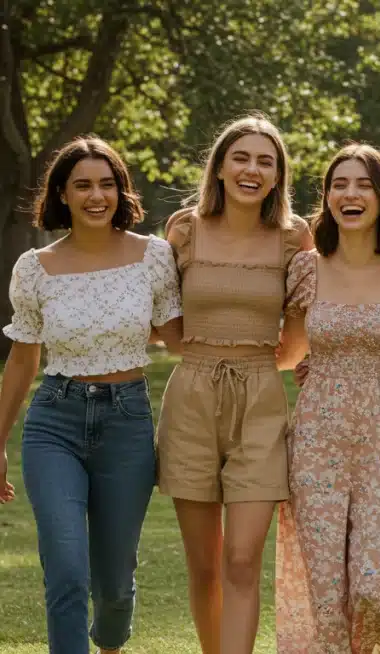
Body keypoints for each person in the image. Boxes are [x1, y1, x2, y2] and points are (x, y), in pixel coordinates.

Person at [0, 136, 183, 653]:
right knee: (65, 570)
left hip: (126, 423)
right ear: (62, 193)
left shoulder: (154, 256)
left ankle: (109, 644)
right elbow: (22, 359)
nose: (96, 195)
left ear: (121, 190)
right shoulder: (34, 267)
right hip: (53, 422)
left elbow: (180, 340)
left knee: (113, 584)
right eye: (82, 185)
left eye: (107, 183)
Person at [156, 115, 312, 654]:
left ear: (277, 177)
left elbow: (297, 338)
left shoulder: (294, 236)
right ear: (220, 167)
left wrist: (251, 359)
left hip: (261, 400)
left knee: (242, 560)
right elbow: (165, 323)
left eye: (265, 161)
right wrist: (204, 354)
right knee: (205, 566)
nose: (252, 169)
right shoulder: (182, 229)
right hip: (192, 398)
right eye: (241, 158)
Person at [274, 143, 380, 652]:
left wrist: (371, 363)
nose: (350, 193)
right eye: (339, 184)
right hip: (318, 437)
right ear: (326, 198)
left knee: (377, 585)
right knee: (326, 591)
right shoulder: (306, 270)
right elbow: (289, 351)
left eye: (363, 184)